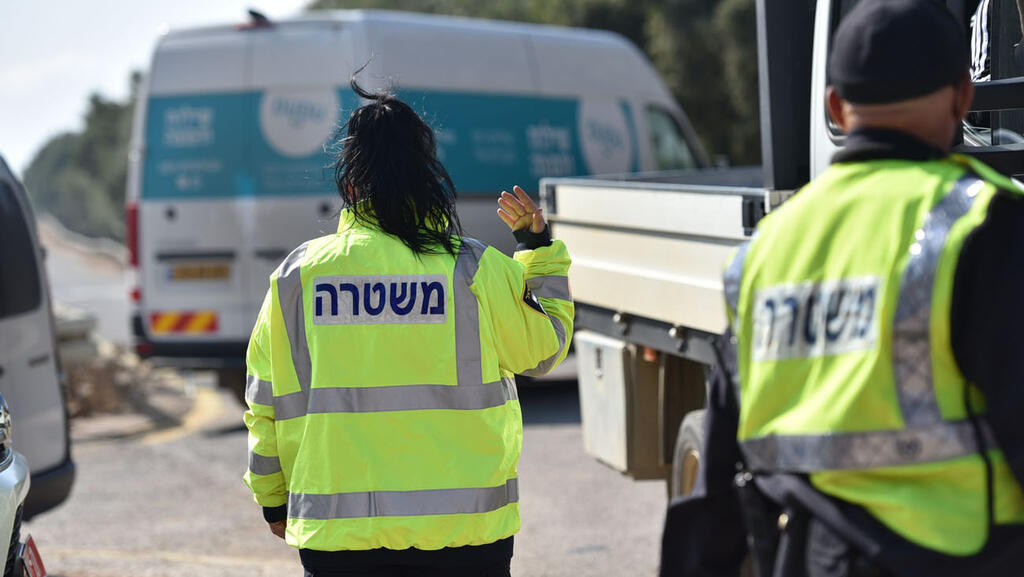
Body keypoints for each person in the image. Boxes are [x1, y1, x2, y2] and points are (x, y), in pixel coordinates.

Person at [660, 1, 1024, 576]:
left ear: (836, 105)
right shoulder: (984, 225)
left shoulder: (766, 249)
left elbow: (715, 488)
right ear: (962, 96)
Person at [242, 76, 574, 577]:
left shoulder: (297, 277)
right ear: (427, 180)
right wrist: (538, 252)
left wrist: (272, 500)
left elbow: (265, 402)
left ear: (351, 186)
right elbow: (544, 350)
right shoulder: (473, 269)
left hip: (340, 541)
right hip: (466, 537)